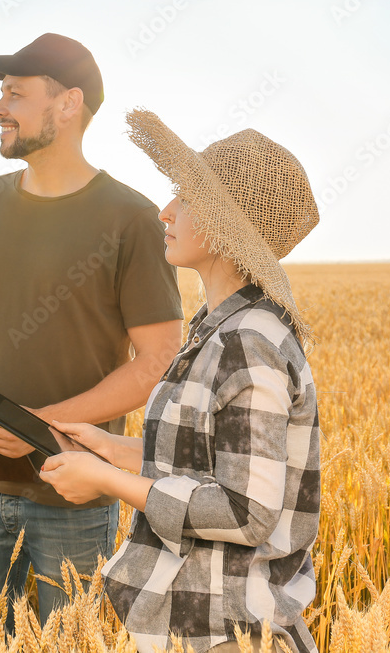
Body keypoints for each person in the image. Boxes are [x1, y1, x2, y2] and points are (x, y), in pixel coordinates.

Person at [0, 34, 185, 627]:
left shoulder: (131, 218)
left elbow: (158, 359)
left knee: (71, 643)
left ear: (67, 103)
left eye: (14, 94)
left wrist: (39, 426)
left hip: (73, 491)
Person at [40, 109, 321, 652]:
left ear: (223, 225)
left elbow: (247, 511)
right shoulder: (218, 328)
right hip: (197, 627)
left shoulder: (247, 341)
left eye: (185, 199)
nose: (165, 211)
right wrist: (114, 450)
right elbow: (211, 461)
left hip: (229, 632)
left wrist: (105, 482)